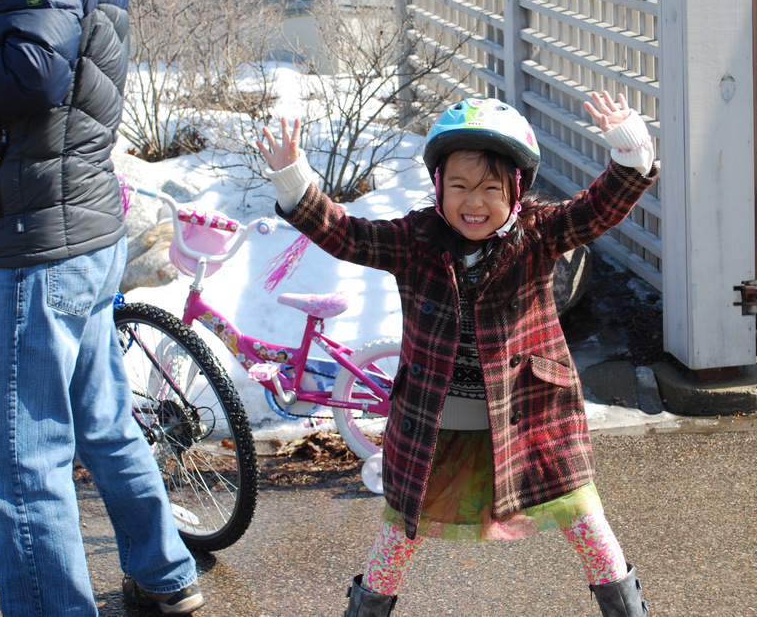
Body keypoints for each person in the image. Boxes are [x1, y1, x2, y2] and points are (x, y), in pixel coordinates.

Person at [258, 91, 659, 617]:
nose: (474, 203)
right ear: (438, 187)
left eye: (491, 188)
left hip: (531, 417)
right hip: (435, 421)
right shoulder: (415, 239)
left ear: (515, 191)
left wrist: (630, 150)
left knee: (584, 515)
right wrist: (293, 179)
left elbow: (599, 207)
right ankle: (368, 609)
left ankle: (626, 610)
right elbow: (347, 235)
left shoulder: (540, 233)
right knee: (402, 528)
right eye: (460, 187)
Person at [0, 0, 204, 614]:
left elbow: (33, 74)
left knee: (22, 462)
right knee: (104, 423)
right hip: (82, 232)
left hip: (36, 242)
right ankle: (165, 574)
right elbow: (56, 72)